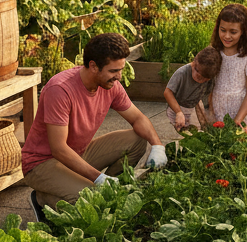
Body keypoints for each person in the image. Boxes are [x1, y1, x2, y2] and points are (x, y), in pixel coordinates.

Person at [23, 33, 166, 213]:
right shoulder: (60, 90)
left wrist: (158, 146)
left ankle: (112, 191)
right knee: (91, 201)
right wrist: (98, 178)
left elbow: (138, 118)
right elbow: (58, 149)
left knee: (137, 140)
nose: (119, 77)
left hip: (77, 154)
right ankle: (43, 199)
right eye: (113, 71)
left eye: (121, 69)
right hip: (42, 164)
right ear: (93, 66)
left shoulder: (110, 85)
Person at [210, 3, 247, 131]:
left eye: (233, 32)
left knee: (243, 147)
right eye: (223, 30)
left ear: (243, 32)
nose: (227, 36)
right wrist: (211, 112)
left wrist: (238, 120)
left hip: (243, 113)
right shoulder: (214, 53)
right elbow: (210, 85)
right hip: (220, 108)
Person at [163, 46, 222, 132]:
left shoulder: (211, 78)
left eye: (202, 78)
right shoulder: (182, 73)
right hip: (175, 107)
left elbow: (209, 95)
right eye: (195, 70)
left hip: (192, 107)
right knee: (176, 130)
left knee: (194, 132)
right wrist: (178, 112)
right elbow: (167, 92)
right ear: (194, 61)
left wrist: (211, 113)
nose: (196, 75)